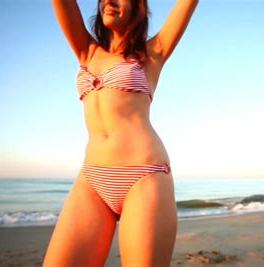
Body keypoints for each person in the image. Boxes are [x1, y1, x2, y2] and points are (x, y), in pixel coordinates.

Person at [43, 0, 198, 266]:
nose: (109, 2)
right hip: (92, 179)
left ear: (139, 7)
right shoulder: (86, 50)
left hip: (144, 176)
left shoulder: (152, 53)